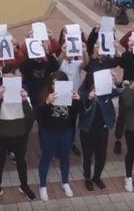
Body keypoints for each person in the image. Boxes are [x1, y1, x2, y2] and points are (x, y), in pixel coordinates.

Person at [0, 65, 36, 204]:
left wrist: (24, 100)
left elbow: (29, 113)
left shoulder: (23, 92)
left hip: (19, 133)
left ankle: (24, 186)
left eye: (12, 78)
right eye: (6, 79)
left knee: (21, 161)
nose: (9, 82)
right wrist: (0, 98)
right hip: (2, 134)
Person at [37, 71, 80, 201]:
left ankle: (65, 182)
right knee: (46, 157)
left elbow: (79, 112)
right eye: (53, 83)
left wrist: (78, 101)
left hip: (65, 131)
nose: (56, 86)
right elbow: (38, 115)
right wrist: (46, 102)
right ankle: (42, 185)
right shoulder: (46, 94)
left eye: (59, 83)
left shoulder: (69, 94)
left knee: (65, 157)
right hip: (49, 131)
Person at [77, 70, 120, 191]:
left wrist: (117, 81)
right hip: (87, 129)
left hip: (102, 128)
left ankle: (97, 177)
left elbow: (119, 92)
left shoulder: (105, 90)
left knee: (101, 155)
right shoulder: (83, 91)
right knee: (87, 156)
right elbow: (81, 109)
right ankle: (87, 178)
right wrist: (89, 98)